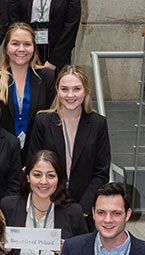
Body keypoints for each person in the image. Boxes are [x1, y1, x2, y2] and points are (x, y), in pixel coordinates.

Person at [0, 150, 87, 255]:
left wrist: (69, 252)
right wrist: (1, 249)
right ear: (27, 177)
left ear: (60, 178)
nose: (43, 182)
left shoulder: (73, 212)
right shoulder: (9, 207)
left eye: (51, 175)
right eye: (37, 175)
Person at [29, 65, 110, 225]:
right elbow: (33, 165)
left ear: (85, 91)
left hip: (84, 209)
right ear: (57, 90)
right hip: (47, 203)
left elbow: (101, 172)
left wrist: (82, 209)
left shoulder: (98, 123)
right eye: (64, 89)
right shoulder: (42, 121)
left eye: (76, 89)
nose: (70, 95)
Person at [0, 22, 55, 158]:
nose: (21, 49)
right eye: (15, 44)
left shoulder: (46, 77)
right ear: (6, 48)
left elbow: (52, 119)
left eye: (27, 44)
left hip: (36, 155)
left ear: (34, 48)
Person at [7, 0, 81, 72]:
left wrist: (55, 61)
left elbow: (71, 26)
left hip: (58, 51)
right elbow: (13, 19)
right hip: (26, 49)